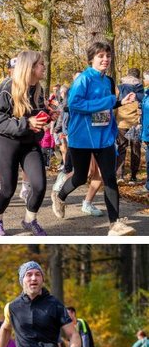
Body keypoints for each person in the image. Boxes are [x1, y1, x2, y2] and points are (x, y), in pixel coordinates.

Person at [53, 41, 137, 236]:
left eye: (107, 56)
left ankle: (114, 224)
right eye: (101, 56)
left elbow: (105, 106)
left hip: (103, 137)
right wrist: (108, 101)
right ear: (91, 59)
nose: (105, 59)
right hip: (81, 137)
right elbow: (75, 104)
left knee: (110, 178)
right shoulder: (83, 79)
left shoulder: (108, 81)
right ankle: (60, 195)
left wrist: (119, 102)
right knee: (80, 177)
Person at [0, 51, 51, 236]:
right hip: (8, 143)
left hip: (29, 143)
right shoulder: (9, 87)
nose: (44, 67)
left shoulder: (39, 89)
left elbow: (37, 114)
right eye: (41, 64)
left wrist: (47, 115)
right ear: (30, 67)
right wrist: (26, 123)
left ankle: (29, 220)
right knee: (7, 189)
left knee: (39, 185)